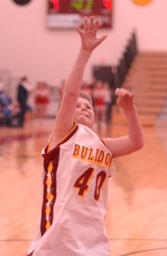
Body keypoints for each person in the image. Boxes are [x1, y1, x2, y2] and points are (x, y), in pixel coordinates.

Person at [27, 16, 144, 256]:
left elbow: (136, 142)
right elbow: (70, 94)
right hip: (55, 244)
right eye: (78, 106)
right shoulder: (63, 135)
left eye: (87, 107)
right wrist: (85, 51)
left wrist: (130, 110)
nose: (83, 108)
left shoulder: (103, 145)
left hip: (94, 245)